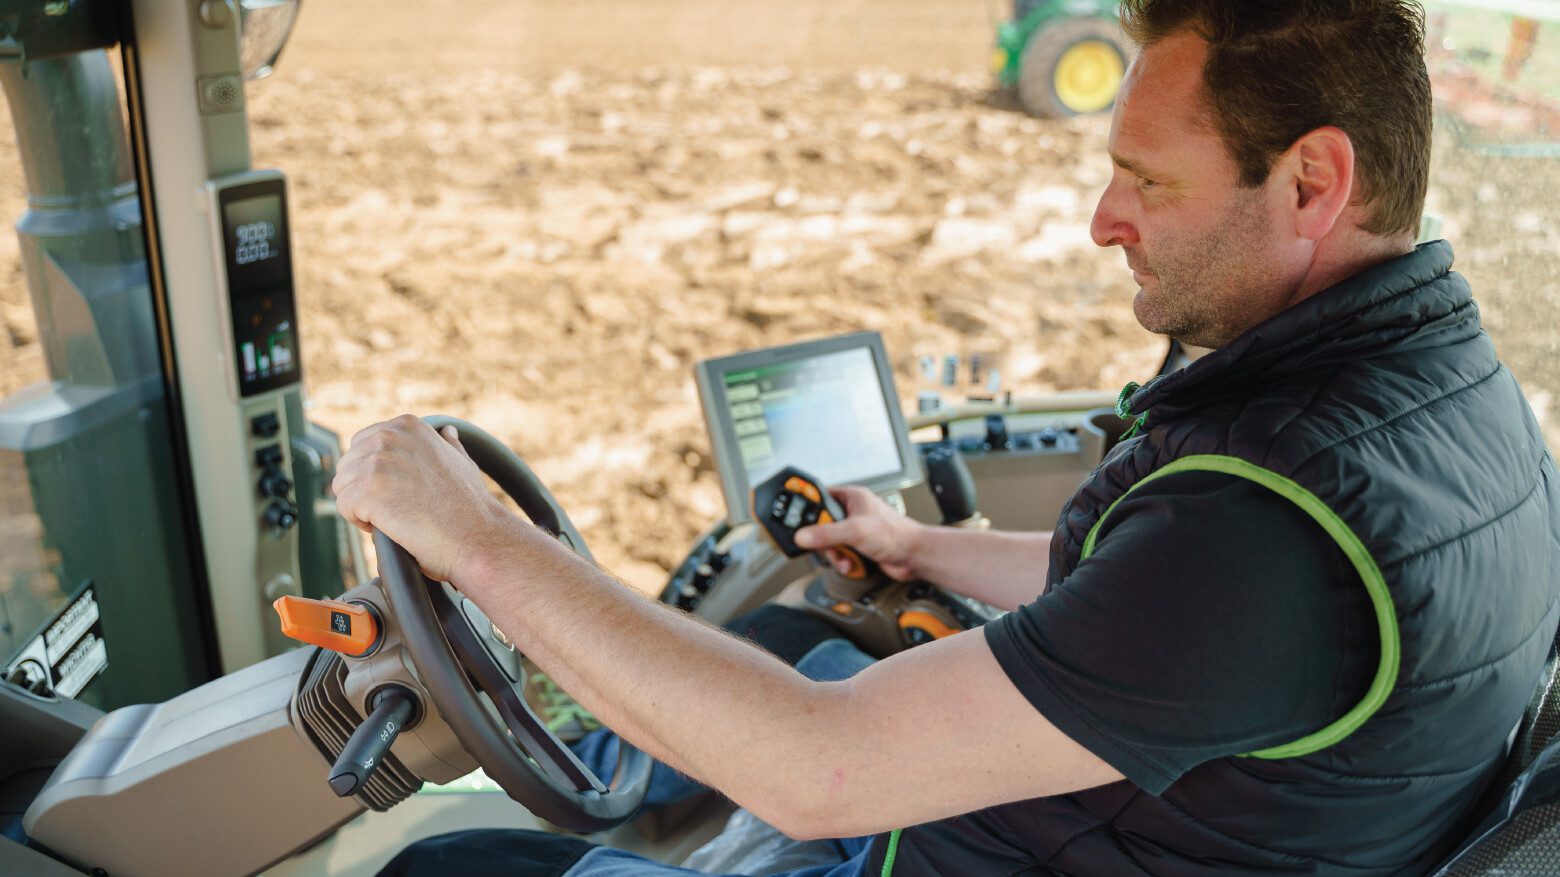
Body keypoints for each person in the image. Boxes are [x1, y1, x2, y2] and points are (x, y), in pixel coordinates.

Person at [336, 1, 1560, 874]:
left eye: (1150, 181)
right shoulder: (1453, 407)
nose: (1103, 220)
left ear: (1312, 182)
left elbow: (823, 772)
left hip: (952, 840)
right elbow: (1148, 600)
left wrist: (478, 538)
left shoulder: (1272, 528)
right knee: (797, 637)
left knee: (447, 867)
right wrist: (920, 544)